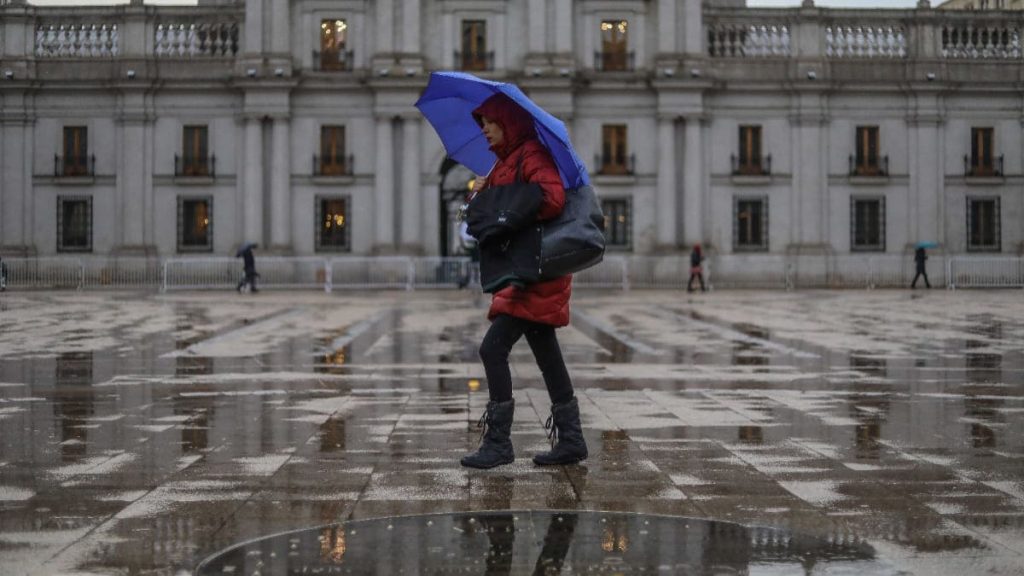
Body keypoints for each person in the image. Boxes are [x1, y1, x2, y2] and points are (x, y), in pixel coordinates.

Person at [460, 93, 588, 470]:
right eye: (481, 122)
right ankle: (572, 439)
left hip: (533, 271)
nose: (483, 129)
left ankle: (499, 443)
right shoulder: (506, 162)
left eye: (490, 121)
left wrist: (507, 200)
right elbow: (499, 209)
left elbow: (551, 198)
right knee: (547, 354)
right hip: (526, 270)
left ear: (508, 122)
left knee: (492, 349)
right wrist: (486, 192)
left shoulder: (530, 154)